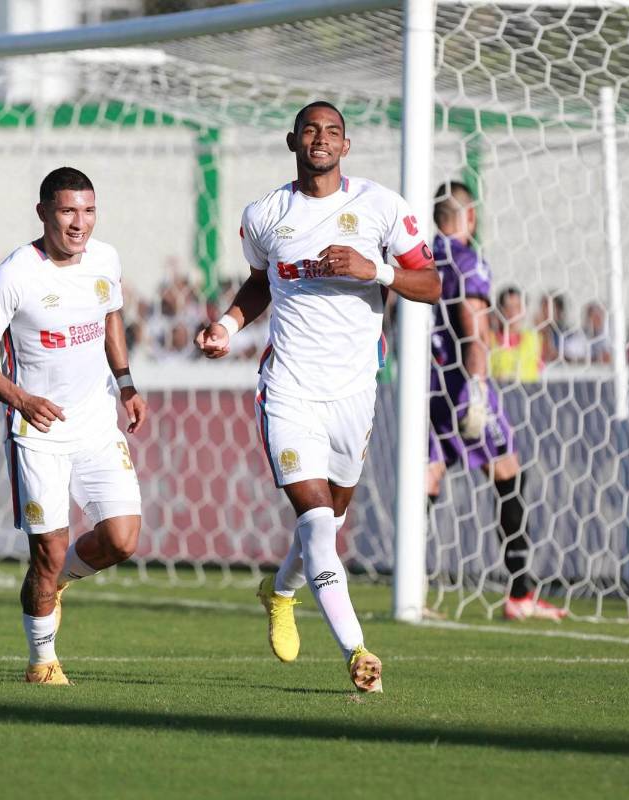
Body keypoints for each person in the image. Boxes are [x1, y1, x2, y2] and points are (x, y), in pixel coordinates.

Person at [195, 101, 440, 693]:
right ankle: (358, 651)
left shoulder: (381, 206)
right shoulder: (264, 215)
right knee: (316, 521)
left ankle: (281, 590)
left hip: (354, 392)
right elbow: (260, 283)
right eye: (310, 130)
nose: (321, 139)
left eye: (332, 132)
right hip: (288, 389)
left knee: (331, 519)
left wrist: (375, 271)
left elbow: (432, 285)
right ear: (293, 141)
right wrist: (226, 326)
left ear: (345, 146)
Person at [0, 167, 148, 685]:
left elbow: (110, 315)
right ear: (43, 213)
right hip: (38, 433)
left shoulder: (105, 259)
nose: (79, 223)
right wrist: (20, 399)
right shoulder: (14, 275)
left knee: (122, 539)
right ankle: (42, 661)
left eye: (88, 211)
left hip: (97, 424)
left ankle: (56, 581)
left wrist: (126, 383)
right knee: (48, 549)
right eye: (67, 211)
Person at [425, 181, 566, 622]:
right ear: (469, 217)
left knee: (429, 475)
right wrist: (478, 388)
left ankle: (409, 590)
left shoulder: (422, 257)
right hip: (461, 383)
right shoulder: (467, 260)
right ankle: (520, 593)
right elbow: (473, 327)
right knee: (507, 469)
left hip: (427, 385)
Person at [488, 286, 542, 382]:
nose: (513, 312)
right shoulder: (489, 340)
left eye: (518, 307)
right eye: (508, 307)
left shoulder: (535, 339)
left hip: (529, 390)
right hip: (500, 389)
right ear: (499, 310)